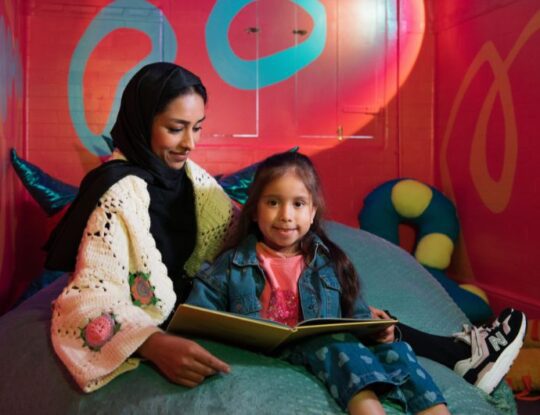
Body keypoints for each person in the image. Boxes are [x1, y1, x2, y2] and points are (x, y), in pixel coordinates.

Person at [184, 151, 526, 414]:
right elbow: (200, 313)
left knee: (396, 348)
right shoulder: (233, 264)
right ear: (255, 210)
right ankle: (367, 408)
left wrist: (374, 327)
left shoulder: (327, 261)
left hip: (325, 334)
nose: (286, 215)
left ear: (313, 211)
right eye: (273, 203)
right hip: (289, 346)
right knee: (335, 345)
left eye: (298, 204)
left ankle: (435, 410)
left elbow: (353, 310)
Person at [46, 62, 235, 392]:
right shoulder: (116, 189)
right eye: (176, 128)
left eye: (198, 127)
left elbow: (239, 236)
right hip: (148, 321)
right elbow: (88, 297)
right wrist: (150, 343)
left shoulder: (195, 181)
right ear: (143, 122)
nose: (190, 143)